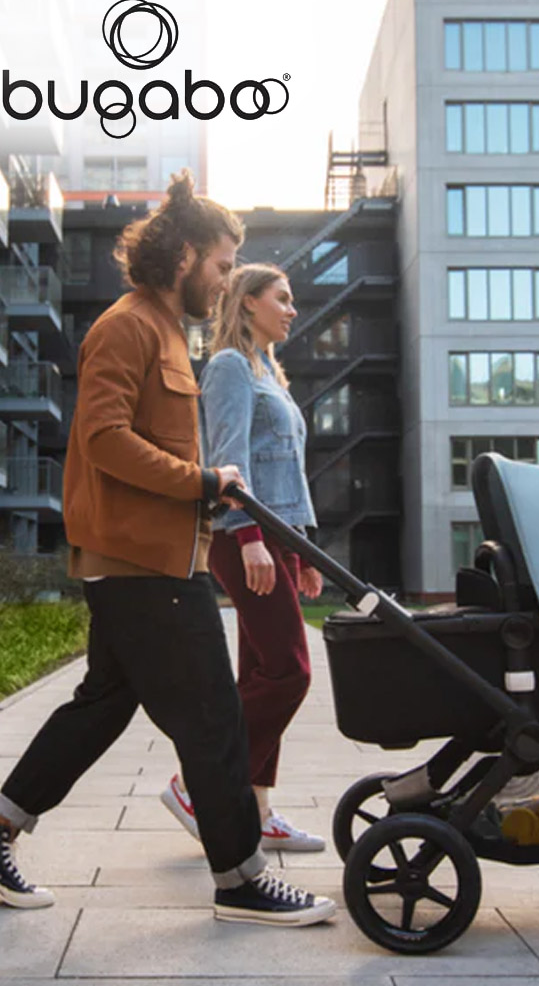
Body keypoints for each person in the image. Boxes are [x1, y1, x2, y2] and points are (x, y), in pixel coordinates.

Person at [0, 174, 335, 928]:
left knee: (103, 705)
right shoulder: (127, 326)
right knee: (214, 716)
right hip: (141, 563)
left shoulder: (170, 333)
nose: (227, 279)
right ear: (187, 256)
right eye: (225, 264)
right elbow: (101, 440)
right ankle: (240, 879)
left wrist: (211, 493)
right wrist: (204, 481)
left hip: (157, 559)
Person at [160, 263, 325, 853]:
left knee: (259, 673)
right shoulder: (230, 367)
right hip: (243, 533)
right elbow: (230, 456)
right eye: (282, 298)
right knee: (289, 670)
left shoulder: (269, 374)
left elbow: (289, 472)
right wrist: (251, 534)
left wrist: (303, 548)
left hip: (277, 533)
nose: (292, 309)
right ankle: (195, 785)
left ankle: (255, 810)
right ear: (248, 303)